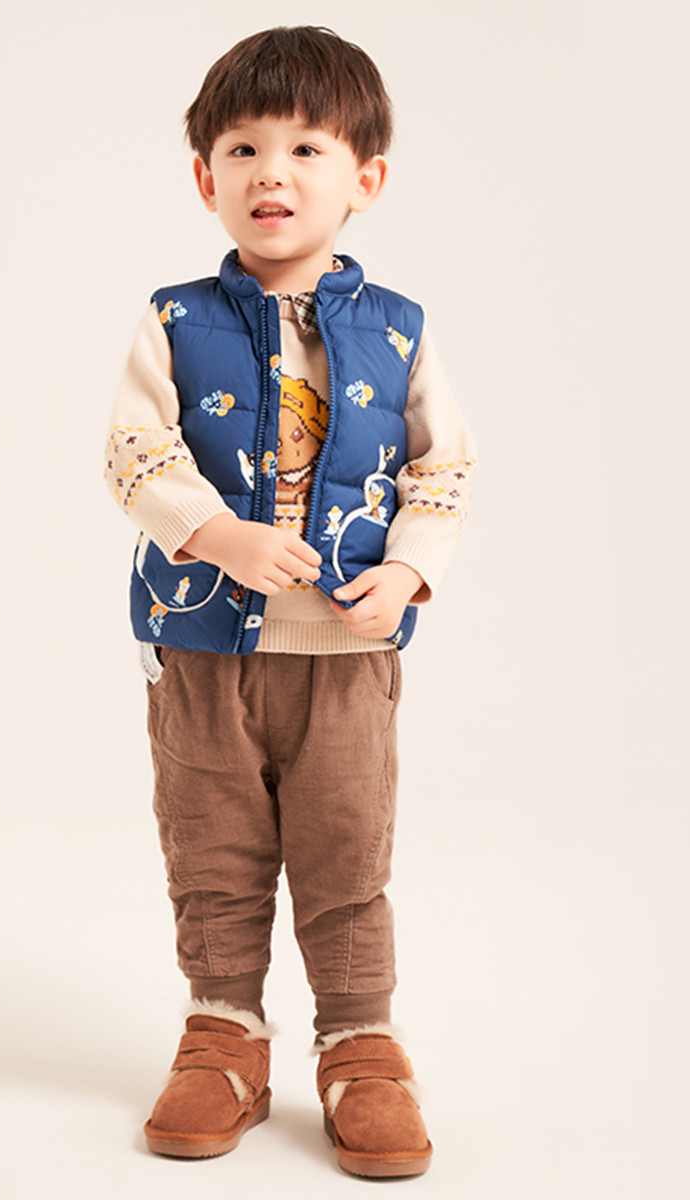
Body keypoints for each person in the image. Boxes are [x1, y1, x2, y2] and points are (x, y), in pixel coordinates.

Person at [103, 25, 475, 1179]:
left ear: (365, 178)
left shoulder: (400, 328)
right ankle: (224, 1032)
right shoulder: (175, 321)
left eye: (307, 148)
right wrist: (214, 534)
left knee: (344, 851)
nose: (273, 172)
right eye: (244, 148)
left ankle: (360, 1042)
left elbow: (444, 468)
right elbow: (134, 452)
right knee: (212, 847)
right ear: (204, 177)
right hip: (201, 647)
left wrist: (408, 571)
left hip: (347, 655)